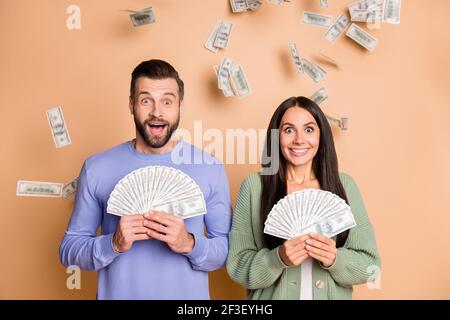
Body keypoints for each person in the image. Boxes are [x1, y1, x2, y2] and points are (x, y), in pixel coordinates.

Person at [60, 59, 232, 299]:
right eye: (145, 100)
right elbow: (69, 250)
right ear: (131, 105)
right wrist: (113, 244)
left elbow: (227, 251)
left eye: (167, 101)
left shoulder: (209, 168)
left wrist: (189, 243)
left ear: (180, 106)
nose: (156, 112)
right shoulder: (96, 167)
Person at [226, 96, 381, 299]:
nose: (299, 139)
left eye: (309, 129)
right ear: (276, 137)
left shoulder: (345, 186)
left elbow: (370, 266)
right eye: (289, 130)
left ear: (321, 136)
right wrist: (277, 258)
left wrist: (335, 258)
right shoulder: (254, 187)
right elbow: (237, 265)